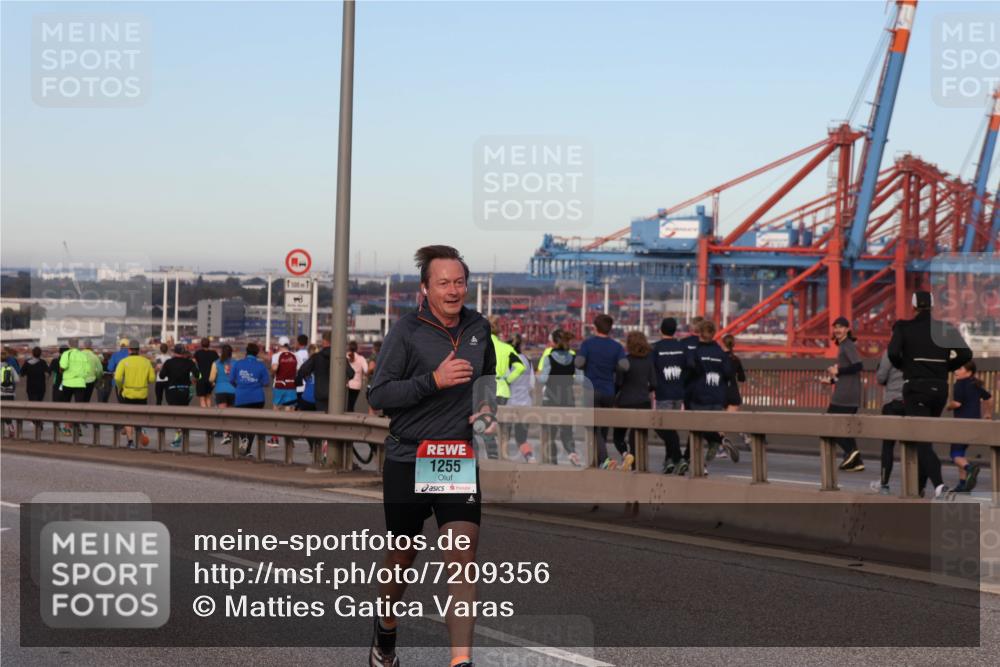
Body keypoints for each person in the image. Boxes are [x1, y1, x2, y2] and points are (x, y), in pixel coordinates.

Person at [366, 245, 495, 667]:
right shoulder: (406, 331)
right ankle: (385, 631)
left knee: (463, 558)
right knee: (403, 556)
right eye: (444, 283)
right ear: (426, 289)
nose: (454, 290)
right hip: (408, 455)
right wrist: (433, 381)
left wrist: (487, 409)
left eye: (459, 282)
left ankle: (461, 661)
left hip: (455, 456)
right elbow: (380, 394)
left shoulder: (479, 327)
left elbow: (488, 381)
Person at [887, 290, 972, 499]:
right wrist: (946, 367)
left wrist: (906, 367)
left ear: (913, 307)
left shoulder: (903, 327)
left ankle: (940, 486)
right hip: (939, 389)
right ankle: (918, 488)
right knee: (927, 439)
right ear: (933, 306)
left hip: (916, 389)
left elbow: (892, 353)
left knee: (921, 440)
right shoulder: (944, 328)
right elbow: (966, 354)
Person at [575, 313, 626, 469]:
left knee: (592, 426)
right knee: (602, 427)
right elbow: (625, 366)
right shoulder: (617, 346)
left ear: (595, 327)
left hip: (591, 390)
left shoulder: (588, 344)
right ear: (610, 329)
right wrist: (613, 369)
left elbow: (579, 363)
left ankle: (603, 459)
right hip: (609, 391)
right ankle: (599, 459)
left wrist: (586, 365)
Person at [686, 320, 734, 465]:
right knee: (708, 425)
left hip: (700, 395)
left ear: (699, 333)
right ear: (713, 334)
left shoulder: (696, 352)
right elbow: (728, 373)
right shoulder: (720, 352)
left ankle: (716, 443)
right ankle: (717, 442)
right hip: (717, 396)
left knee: (697, 429)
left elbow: (690, 370)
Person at [821, 317, 864, 472]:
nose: (837, 330)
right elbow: (847, 373)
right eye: (835, 327)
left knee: (830, 424)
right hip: (847, 392)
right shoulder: (844, 346)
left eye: (840, 327)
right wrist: (832, 381)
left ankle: (852, 452)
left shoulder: (847, 345)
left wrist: (837, 370)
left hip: (844, 396)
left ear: (847, 329)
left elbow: (858, 366)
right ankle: (856, 462)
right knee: (846, 429)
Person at [612, 331, 657, 471]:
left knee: (618, 435)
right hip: (643, 402)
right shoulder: (648, 362)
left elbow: (618, 383)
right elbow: (654, 384)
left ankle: (626, 455)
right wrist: (644, 390)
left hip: (626, 401)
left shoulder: (624, 361)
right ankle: (637, 462)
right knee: (638, 435)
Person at [947, 361, 992, 493]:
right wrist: (988, 414)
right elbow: (988, 398)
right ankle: (963, 485)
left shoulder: (959, 384)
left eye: (959, 368)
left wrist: (948, 406)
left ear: (968, 372)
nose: (956, 371)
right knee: (960, 452)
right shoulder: (975, 384)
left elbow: (957, 404)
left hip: (962, 423)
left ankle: (969, 468)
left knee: (955, 454)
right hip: (974, 423)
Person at [538, 329, 581, 466]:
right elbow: (580, 379)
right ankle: (572, 453)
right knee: (567, 431)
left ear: (554, 342)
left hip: (551, 398)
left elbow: (543, 379)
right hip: (568, 399)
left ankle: (553, 460)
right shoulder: (574, 358)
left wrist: (538, 375)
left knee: (551, 432)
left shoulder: (548, 359)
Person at [651, 317, 688, 474]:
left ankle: (678, 459)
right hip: (678, 392)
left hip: (663, 392)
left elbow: (651, 370)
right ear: (675, 331)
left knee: (661, 426)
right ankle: (669, 461)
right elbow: (690, 366)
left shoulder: (655, 348)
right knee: (670, 428)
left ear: (660, 330)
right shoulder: (682, 347)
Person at [487, 317, 525, 459]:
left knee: (486, 422)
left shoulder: (482, 345)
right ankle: (504, 452)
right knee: (502, 423)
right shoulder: (506, 348)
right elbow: (520, 367)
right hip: (502, 389)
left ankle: (492, 453)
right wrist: (508, 379)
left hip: (486, 388)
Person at [871, 350, 905, 494]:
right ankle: (917, 485)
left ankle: (884, 484)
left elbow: (881, 377)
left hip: (892, 401)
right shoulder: (916, 350)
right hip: (911, 402)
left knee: (888, 446)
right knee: (913, 445)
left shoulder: (891, 353)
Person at [229, 342, 269, 457]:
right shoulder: (261, 365)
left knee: (239, 422)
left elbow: (231, 379)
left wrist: (241, 385)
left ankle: (244, 439)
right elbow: (266, 382)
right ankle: (248, 449)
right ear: (257, 353)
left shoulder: (238, 364)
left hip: (241, 397)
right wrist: (255, 383)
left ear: (246, 352)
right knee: (253, 423)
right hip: (257, 397)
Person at [114, 340, 155, 448]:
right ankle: (140, 433)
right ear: (139, 350)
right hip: (142, 394)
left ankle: (130, 441)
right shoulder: (146, 362)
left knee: (128, 418)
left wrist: (120, 387)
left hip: (128, 394)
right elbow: (152, 379)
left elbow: (117, 377)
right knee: (139, 417)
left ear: (129, 350)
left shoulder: (124, 361)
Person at [159, 344, 200, 448]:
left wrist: (164, 369)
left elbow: (161, 376)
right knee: (183, 414)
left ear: (174, 352)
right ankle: (182, 435)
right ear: (183, 352)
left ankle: (177, 438)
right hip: (185, 391)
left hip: (172, 391)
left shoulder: (169, 363)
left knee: (175, 416)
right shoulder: (190, 363)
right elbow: (198, 375)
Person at [506, 333, 536, 463]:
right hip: (525, 404)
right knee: (521, 438)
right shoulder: (527, 360)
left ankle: (502, 461)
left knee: (504, 436)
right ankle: (530, 457)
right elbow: (532, 385)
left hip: (509, 404)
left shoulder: (507, 360)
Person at [269, 336, 300, 446]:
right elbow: (298, 370)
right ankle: (289, 439)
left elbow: (274, 368)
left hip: (279, 386)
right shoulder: (295, 356)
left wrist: (272, 373)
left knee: (276, 411)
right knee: (289, 413)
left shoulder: (276, 356)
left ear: (280, 345)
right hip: (291, 386)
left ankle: (274, 438)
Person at [721, 334, 749, 453]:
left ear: (723, 344)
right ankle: (743, 433)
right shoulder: (736, 359)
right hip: (733, 391)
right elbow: (742, 378)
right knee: (731, 420)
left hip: (721, 392)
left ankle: (721, 449)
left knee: (720, 422)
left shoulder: (720, 358)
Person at [210, 344, 237, 446]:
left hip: (220, 390)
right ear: (231, 352)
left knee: (223, 413)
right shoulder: (235, 363)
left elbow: (211, 378)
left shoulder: (216, 363)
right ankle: (231, 432)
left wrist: (216, 381)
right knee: (231, 413)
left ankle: (226, 435)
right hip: (233, 390)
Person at [193, 338, 219, 408]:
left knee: (202, 398)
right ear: (209, 344)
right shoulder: (214, 353)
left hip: (201, 377)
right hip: (210, 378)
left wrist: (195, 376)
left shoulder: (198, 353)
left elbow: (193, 365)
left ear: (201, 344)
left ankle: (204, 414)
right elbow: (218, 365)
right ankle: (209, 415)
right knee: (208, 397)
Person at [346, 340, 368, 412]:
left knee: (346, 405)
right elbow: (366, 370)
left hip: (346, 384)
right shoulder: (361, 359)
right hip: (357, 385)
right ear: (357, 348)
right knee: (351, 405)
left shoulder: (345, 356)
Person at [1, 355, 19, 437]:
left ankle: (7, 427)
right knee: (8, 411)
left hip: (1, 393)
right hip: (10, 393)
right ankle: (10, 426)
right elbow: (17, 379)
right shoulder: (11, 368)